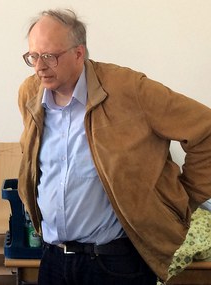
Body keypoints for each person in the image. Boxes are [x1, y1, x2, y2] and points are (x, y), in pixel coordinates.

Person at [17, 9, 211, 285]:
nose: (39, 67)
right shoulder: (30, 93)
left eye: (49, 56)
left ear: (78, 53)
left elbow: (206, 130)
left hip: (114, 263)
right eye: (32, 56)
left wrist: (182, 200)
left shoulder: (129, 89)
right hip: (53, 259)